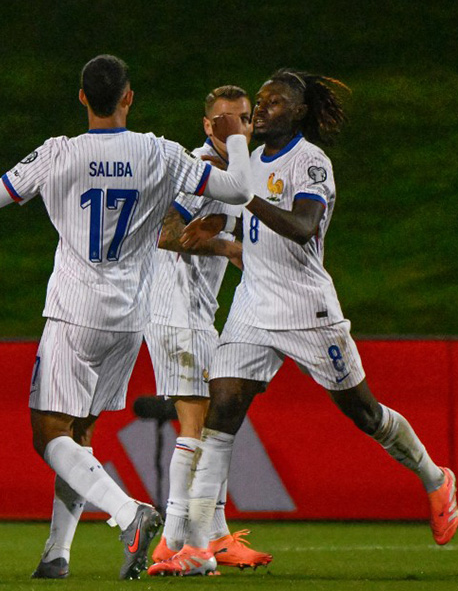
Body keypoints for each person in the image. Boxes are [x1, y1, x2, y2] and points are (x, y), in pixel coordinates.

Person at [0, 55, 255, 580]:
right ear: (128, 98)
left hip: (74, 312)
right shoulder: (161, 153)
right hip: (130, 318)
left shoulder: (58, 153)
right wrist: (236, 138)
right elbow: (240, 189)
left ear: (83, 97)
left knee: (48, 434)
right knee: (79, 433)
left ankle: (129, 514)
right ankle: (56, 554)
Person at [148, 69, 458, 577]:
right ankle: (200, 548)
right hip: (253, 304)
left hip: (305, 308)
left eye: (274, 102)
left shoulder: (310, 162)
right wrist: (222, 224)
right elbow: (244, 220)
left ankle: (434, 477)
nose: (262, 109)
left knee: (364, 413)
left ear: (298, 113)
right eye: (260, 100)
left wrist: (243, 199)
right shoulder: (252, 159)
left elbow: (301, 225)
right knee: (220, 414)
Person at [145, 85, 272, 569]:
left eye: (244, 118)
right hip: (175, 310)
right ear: (207, 125)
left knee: (216, 425)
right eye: (224, 120)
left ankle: (214, 535)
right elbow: (162, 233)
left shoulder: (239, 174)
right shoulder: (196, 170)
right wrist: (228, 247)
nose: (236, 127)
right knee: (198, 426)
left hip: (198, 313)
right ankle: (174, 540)